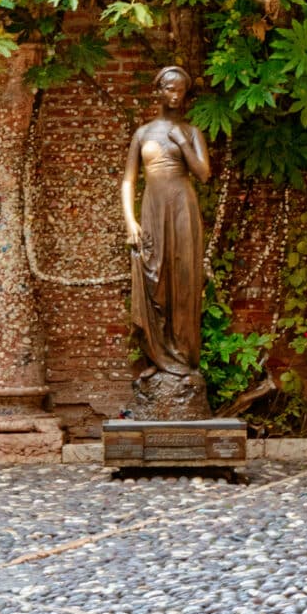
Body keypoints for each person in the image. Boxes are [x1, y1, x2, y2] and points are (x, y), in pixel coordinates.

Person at [120, 65, 211, 417]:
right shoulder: (142, 134)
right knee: (153, 281)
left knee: (185, 284)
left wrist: (184, 145)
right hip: (153, 210)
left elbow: (203, 174)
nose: (175, 95)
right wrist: (130, 220)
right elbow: (129, 180)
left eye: (181, 91)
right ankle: (159, 358)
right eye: (169, 88)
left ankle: (184, 360)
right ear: (158, 90)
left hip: (183, 209)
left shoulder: (191, 131)